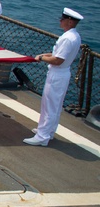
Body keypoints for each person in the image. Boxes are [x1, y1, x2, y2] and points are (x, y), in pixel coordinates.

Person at [24, 8, 84, 147]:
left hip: (57, 74)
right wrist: (45, 55)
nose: (60, 21)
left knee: (50, 105)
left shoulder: (68, 38)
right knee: (54, 106)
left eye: (62, 19)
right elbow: (58, 54)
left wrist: (42, 58)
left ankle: (42, 136)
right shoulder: (74, 36)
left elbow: (58, 60)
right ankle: (48, 131)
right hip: (62, 73)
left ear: (69, 21)